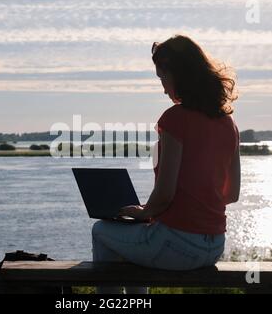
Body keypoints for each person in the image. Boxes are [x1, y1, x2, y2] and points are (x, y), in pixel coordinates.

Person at [91, 34, 241, 294]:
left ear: (180, 75)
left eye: (163, 78)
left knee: (102, 230)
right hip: (214, 247)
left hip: (178, 247)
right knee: (138, 238)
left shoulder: (174, 119)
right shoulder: (228, 124)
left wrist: (141, 212)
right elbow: (231, 194)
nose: (163, 88)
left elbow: (165, 194)